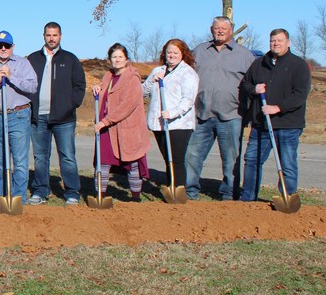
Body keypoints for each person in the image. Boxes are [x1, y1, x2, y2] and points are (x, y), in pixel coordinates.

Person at [184, 16, 256, 200]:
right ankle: (190, 191)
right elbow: (183, 75)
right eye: (217, 28)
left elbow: (253, 84)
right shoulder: (199, 51)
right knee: (192, 155)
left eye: (224, 28)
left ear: (231, 30)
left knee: (231, 160)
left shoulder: (245, 55)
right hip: (202, 114)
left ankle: (229, 194)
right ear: (211, 29)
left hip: (232, 116)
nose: (220, 31)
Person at [238, 29, 311, 202]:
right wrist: (254, 89)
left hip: (288, 125)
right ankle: (248, 198)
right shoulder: (259, 63)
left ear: (288, 43)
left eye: (280, 40)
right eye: (273, 40)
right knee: (252, 161)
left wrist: (278, 107)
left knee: (287, 164)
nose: (276, 43)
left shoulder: (298, 65)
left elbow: (300, 94)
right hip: (261, 124)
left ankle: (287, 197)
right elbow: (245, 83)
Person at [26, 22, 86, 205]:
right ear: (43, 36)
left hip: (64, 119)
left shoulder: (70, 59)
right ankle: (40, 191)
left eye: (55, 35)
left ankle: (72, 192)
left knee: (67, 156)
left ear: (60, 36)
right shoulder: (33, 59)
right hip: (38, 118)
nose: (51, 38)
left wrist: (70, 105)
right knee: (40, 157)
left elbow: (80, 85)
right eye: (48, 35)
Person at [0, 30, 38, 207]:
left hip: (18, 115)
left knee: (19, 162)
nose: (3, 49)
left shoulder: (23, 63)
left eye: (6, 45)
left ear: (13, 46)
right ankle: (4, 198)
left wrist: (12, 77)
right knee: (1, 162)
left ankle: (18, 200)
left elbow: (32, 87)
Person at [93, 43, 149, 201]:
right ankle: (100, 195)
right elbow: (105, 95)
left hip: (126, 128)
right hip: (106, 129)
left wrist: (106, 121)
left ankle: (135, 197)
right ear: (109, 59)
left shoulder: (133, 79)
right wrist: (97, 87)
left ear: (126, 59)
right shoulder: (108, 76)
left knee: (131, 163)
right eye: (114, 57)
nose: (117, 60)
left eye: (120, 57)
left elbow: (127, 106)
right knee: (102, 162)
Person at [142, 39, 199, 194]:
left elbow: (188, 99)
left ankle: (178, 190)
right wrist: (152, 81)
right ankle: (170, 188)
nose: (171, 55)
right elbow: (142, 92)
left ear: (182, 54)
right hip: (158, 123)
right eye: (169, 52)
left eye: (175, 52)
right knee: (168, 159)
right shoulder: (157, 71)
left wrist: (173, 113)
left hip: (179, 124)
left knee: (176, 159)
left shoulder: (188, 73)